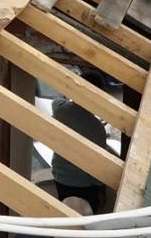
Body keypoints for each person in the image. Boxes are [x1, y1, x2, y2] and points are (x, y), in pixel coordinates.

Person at [51, 69, 117, 213]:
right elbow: (97, 165)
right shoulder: (97, 128)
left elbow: (58, 100)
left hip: (61, 178)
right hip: (84, 185)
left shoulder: (59, 110)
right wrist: (101, 191)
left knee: (65, 216)